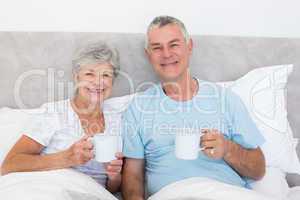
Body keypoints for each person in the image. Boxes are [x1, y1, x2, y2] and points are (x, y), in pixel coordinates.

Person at [121, 16, 266, 200]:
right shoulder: (139, 108)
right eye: (157, 47)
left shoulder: (225, 99)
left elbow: (259, 169)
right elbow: (132, 175)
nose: (166, 54)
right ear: (148, 54)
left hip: (224, 193)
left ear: (189, 46)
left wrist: (228, 149)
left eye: (174, 45)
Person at [1, 41, 123, 193]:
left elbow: (113, 190)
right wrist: (67, 158)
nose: (98, 82)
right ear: (76, 77)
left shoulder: (118, 121)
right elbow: (9, 164)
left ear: (113, 81)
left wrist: (114, 176)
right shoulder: (54, 113)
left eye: (105, 75)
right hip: (52, 190)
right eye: (89, 73)